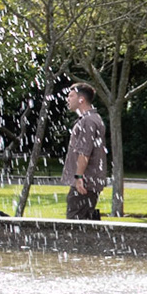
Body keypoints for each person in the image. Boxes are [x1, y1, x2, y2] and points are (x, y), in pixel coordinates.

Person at [64, 83, 108, 221]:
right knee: (85, 222)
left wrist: (78, 178)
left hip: (85, 183)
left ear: (81, 99)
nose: (68, 99)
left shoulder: (88, 121)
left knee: (74, 223)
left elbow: (84, 152)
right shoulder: (93, 118)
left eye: (71, 96)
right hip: (90, 182)